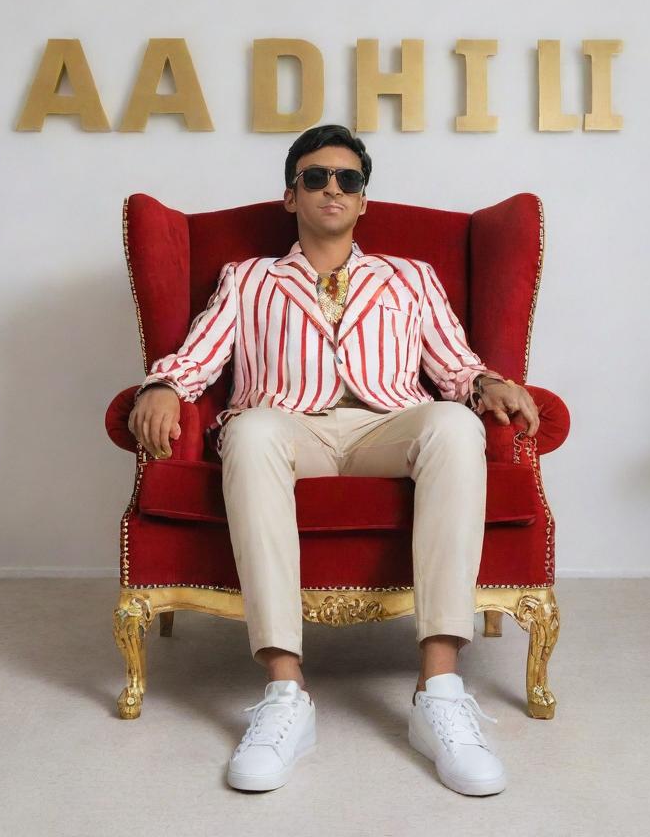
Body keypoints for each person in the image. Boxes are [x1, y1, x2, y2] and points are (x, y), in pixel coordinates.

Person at [127, 124, 540, 796]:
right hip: (290, 429)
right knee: (251, 431)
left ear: (363, 201)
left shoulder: (410, 278)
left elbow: (455, 364)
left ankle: (439, 690)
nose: (332, 189)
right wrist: (164, 386)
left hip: (387, 425)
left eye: (347, 179)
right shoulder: (248, 279)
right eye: (315, 177)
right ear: (290, 196)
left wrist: (487, 383)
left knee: (456, 426)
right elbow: (198, 358)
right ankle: (286, 696)